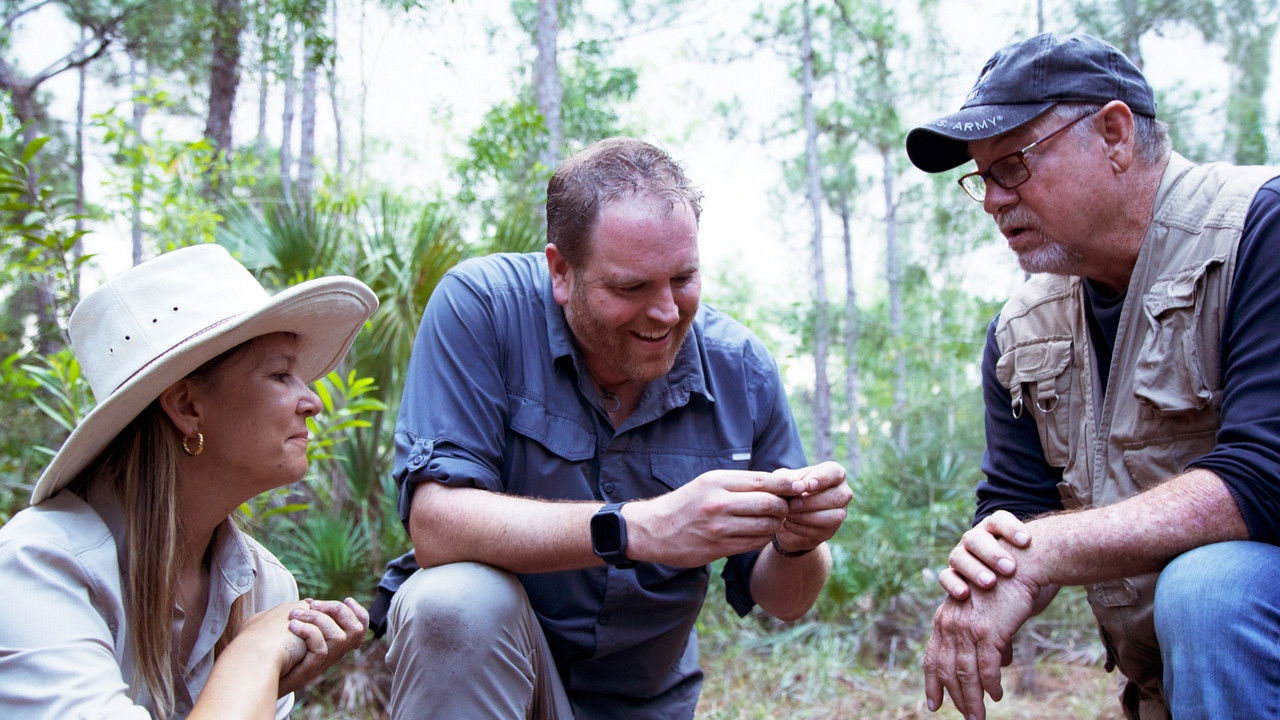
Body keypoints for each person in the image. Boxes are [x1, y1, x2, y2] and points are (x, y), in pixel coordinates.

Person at [370, 136, 851, 719]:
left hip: (648, 704)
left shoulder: (742, 372)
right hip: (498, 687)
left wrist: (799, 543)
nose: (667, 313)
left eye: (683, 279)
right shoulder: (484, 309)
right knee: (453, 601)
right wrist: (638, 528)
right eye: (631, 287)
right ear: (560, 271)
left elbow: (785, 602)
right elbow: (436, 523)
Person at [904, 32, 1280, 720]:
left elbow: (1266, 477)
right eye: (982, 177)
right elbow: (1015, 506)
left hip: (1241, 623)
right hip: (1184, 686)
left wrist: (1044, 551)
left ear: (1113, 134)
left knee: (1211, 589)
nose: (992, 200)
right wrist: (988, 578)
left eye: (1012, 165)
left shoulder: (1262, 228)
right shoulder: (1021, 329)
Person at [0, 244, 380, 719]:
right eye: (281, 374)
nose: (313, 402)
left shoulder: (263, 586)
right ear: (186, 406)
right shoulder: (39, 568)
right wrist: (252, 656)